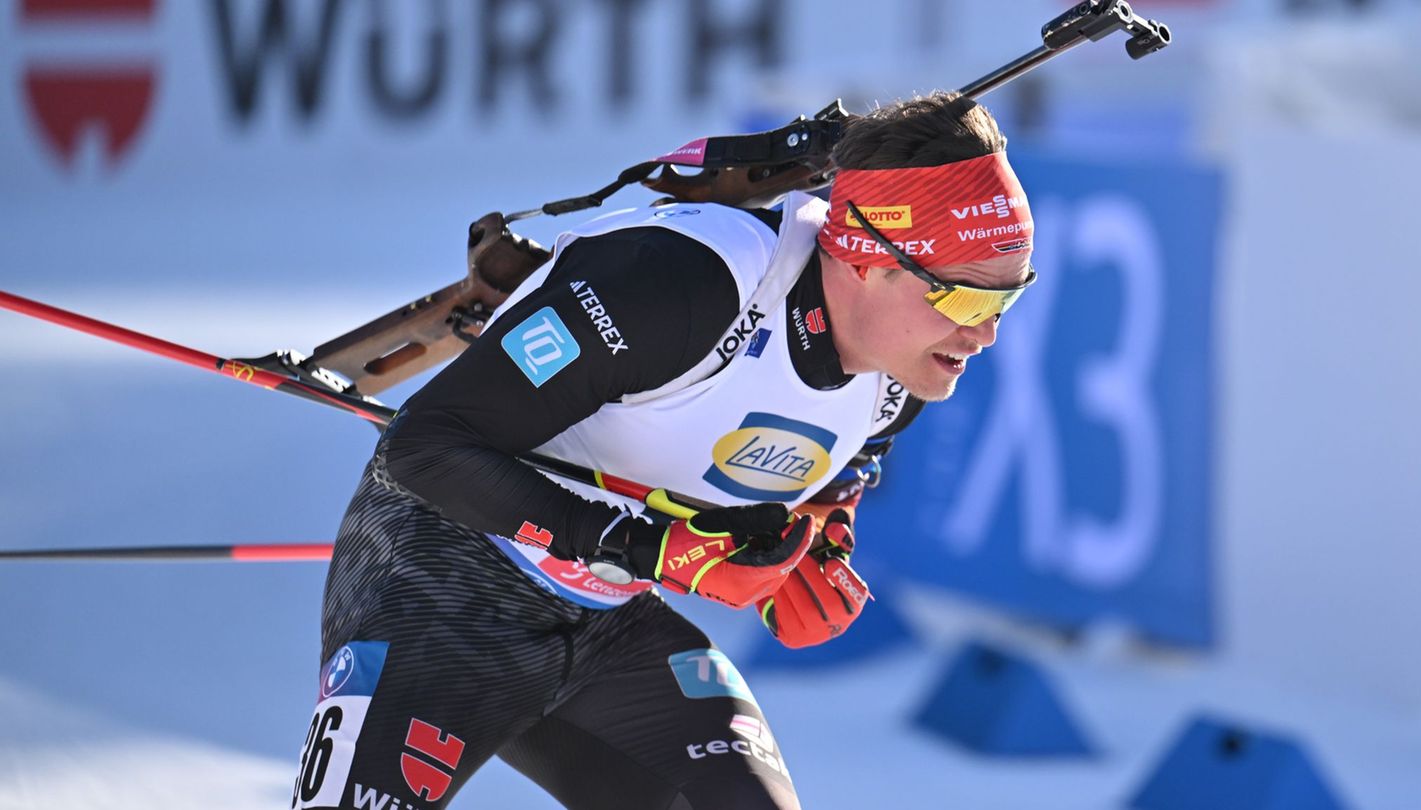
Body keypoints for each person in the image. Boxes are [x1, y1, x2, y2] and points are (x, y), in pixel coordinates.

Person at [291, 90, 1036, 810]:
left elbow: (822, 479)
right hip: (441, 579)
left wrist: (819, 547)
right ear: (868, 257)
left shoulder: (899, 376)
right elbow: (422, 446)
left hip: (607, 619)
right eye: (966, 298)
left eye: (1008, 297)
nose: (985, 332)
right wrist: (642, 546)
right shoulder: (687, 282)